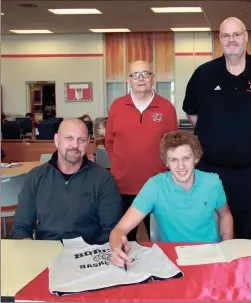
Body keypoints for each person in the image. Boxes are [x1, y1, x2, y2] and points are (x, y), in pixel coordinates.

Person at [182, 17, 251, 241]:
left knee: (250, 233)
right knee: (212, 230)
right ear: (220, 39)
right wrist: (214, 133)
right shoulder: (203, 74)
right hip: (211, 171)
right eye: (226, 36)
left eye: (236, 34)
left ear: (246, 37)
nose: (232, 40)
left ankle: (246, 275)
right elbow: (192, 113)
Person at [110, 131, 234, 267]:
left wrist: (226, 249)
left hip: (210, 257)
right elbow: (119, 230)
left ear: (196, 158)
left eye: (186, 158)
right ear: (166, 162)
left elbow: (225, 215)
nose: (181, 166)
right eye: (173, 159)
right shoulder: (155, 186)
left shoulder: (212, 182)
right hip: (172, 260)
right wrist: (117, 249)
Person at [11, 118, 123, 243]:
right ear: (57, 140)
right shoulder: (35, 177)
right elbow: (20, 227)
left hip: (88, 253)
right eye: (69, 138)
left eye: (81, 140)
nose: (75, 145)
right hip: (47, 250)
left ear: (87, 143)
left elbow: (112, 230)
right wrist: (33, 250)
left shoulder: (104, 179)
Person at [106, 60, 178, 241]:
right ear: (128, 80)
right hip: (123, 187)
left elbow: (172, 146)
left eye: (145, 74)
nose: (140, 79)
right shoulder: (117, 106)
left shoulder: (166, 108)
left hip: (158, 186)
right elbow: (109, 142)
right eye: (135, 75)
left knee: (160, 240)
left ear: (152, 78)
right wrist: (121, 167)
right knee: (124, 240)